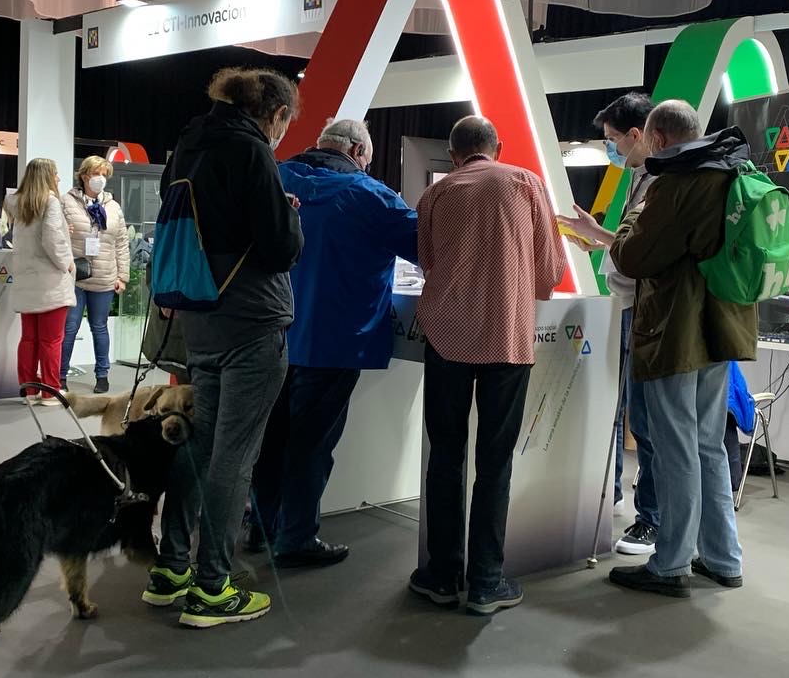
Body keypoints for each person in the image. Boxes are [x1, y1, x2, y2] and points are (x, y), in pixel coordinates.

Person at [564, 100, 755, 599]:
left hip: (675, 330)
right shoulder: (730, 170)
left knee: (675, 449)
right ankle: (723, 557)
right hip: (720, 328)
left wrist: (619, 235)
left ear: (658, 138)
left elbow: (632, 255)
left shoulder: (677, 182)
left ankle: (671, 563)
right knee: (708, 445)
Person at [147, 67, 303, 629]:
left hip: (201, 316)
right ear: (276, 113)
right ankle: (213, 585)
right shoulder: (252, 149)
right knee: (235, 454)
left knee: (200, 440)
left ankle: (171, 570)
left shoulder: (189, 143)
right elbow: (281, 247)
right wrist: (287, 214)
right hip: (250, 318)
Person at [410, 115, 564, 615]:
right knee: (495, 463)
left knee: (445, 457)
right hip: (506, 339)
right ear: (497, 146)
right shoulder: (526, 184)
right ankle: (485, 582)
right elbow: (550, 272)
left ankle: (440, 575)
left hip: (447, 338)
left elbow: (428, 261)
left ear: (453, 154)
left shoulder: (435, 195)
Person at [249, 118, 419, 568]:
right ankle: (297, 536)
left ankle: (260, 526)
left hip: (270, 333)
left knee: (269, 438)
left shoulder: (274, 176)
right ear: (360, 153)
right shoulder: (373, 197)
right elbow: (428, 247)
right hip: (335, 342)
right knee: (311, 445)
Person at [593, 92, 661, 557]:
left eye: (613, 140)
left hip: (647, 311)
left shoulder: (661, 184)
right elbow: (628, 245)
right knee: (620, 408)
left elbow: (643, 254)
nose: (611, 150)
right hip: (625, 306)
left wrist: (608, 243)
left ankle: (651, 520)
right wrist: (598, 237)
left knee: (648, 421)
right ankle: (615, 493)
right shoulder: (639, 179)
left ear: (638, 135)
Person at [57, 155, 130, 394]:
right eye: (96, 173)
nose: (100, 179)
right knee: (70, 327)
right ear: (85, 175)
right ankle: (60, 375)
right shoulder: (66, 202)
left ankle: (102, 375)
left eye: (104, 175)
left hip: (105, 276)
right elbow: (55, 236)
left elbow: (121, 244)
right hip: (75, 275)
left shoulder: (113, 206)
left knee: (99, 327)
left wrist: (123, 276)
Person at [8, 158, 74, 405]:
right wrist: (66, 262)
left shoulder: (18, 204)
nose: (58, 178)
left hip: (27, 283)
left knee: (29, 339)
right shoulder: (51, 202)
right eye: (55, 173)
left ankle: (28, 390)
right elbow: (52, 240)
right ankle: (50, 392)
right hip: (50, 284)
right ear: (47, 176)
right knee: (51, 340)